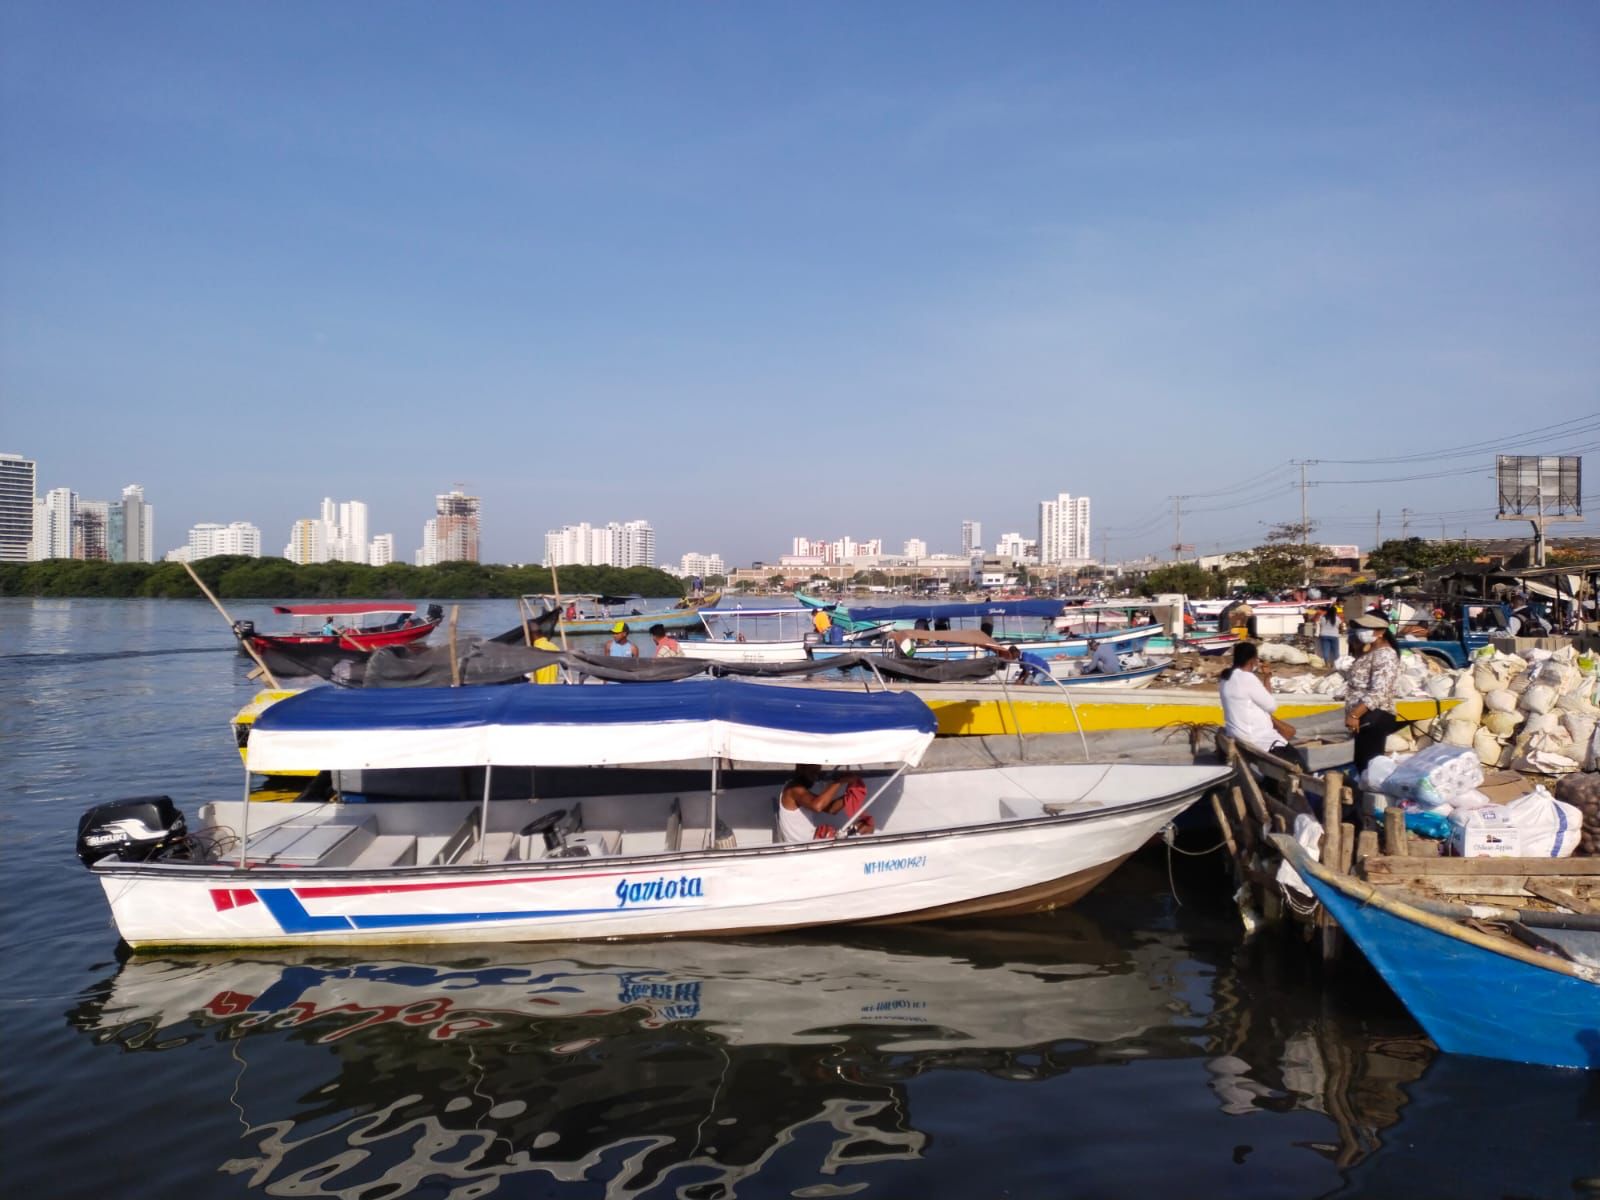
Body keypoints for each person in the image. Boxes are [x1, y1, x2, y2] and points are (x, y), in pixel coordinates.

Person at [1219, 642, 1303, 768]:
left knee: (1286, 734)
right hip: (1256, 739)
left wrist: (1267, 678)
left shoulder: (1226, 678)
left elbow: (1265, 701)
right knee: (1298, 762)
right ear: (1252, 660)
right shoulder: (1247, 678)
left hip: (1237, 733)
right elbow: (1271, 706)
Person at [1345, 613, 1401, 775]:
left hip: (1373, 715)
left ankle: (1370, 791)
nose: (1360, 631)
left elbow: (1379, 691)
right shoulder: (1371, 651)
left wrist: (1355, 714)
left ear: (1381, 631)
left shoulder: (1386, 655)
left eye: (1366, 628)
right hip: (1365, 715)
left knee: (1369, 765)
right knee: (1362, 763)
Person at [777, 764, 867, 842]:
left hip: (811, 844)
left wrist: (850, 794)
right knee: (866, 827)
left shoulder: (801, 793)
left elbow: (832, 809)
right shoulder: (793, 789)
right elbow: (817, 806)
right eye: (813, 773)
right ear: (801, 768)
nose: (815, 778)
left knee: (865, 825)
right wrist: (840, 781)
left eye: (817, 773)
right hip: (805, 848)